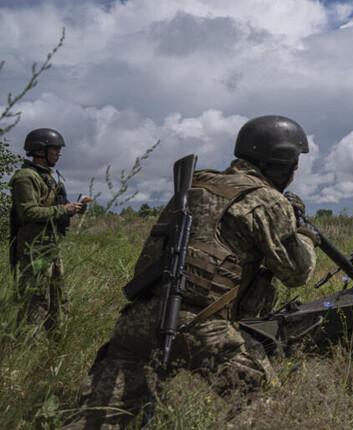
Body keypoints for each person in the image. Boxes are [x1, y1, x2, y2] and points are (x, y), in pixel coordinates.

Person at [62, 115, 318, 429]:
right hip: (201, 325)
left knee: (98, 418)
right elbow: (297, 273)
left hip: (138, 320)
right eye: (294, 166)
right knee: (265, 408)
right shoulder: (266, 200)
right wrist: (304, 234)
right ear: (284, 163)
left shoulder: (196, 183)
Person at [9, 128, 85, 331]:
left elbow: (50, 209)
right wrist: (63, 209)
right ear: (40, 149)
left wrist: (72, 210)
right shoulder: (26, 177)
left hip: (50, 247)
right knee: (36, 303)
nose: (59, 153)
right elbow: (28, 213)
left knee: (59, 301)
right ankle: (24, 352)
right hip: (34, 251)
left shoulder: (48, 177)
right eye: (56, 149)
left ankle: (54, 349)